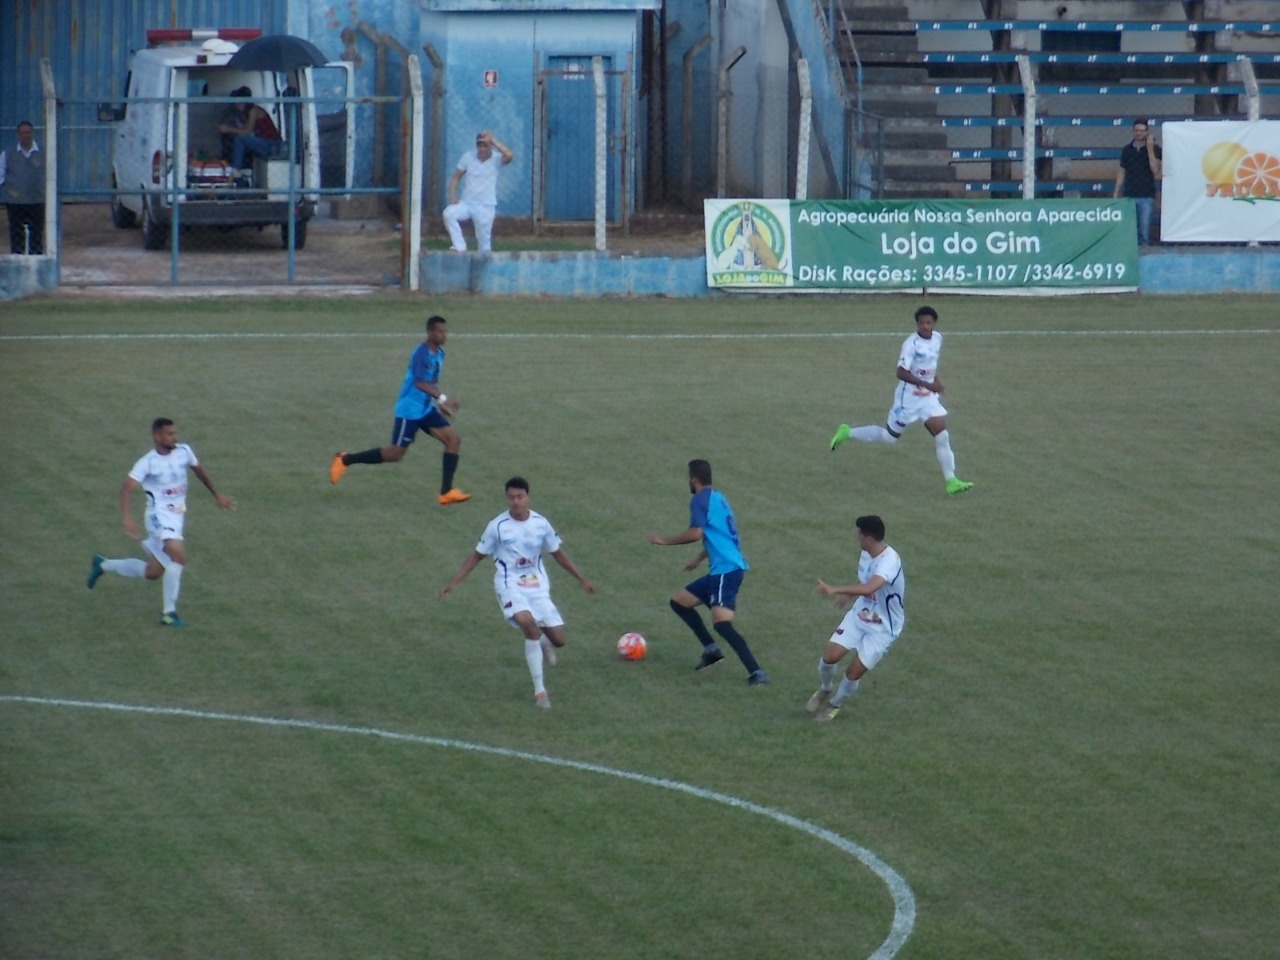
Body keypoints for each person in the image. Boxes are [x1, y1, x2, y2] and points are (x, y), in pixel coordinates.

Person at [439, 476, 596, 708]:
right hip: (509, 584)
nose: (515, 501)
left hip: (537, 586)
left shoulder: (541, 523)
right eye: (511, 497)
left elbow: (558, 553)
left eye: (519, 497)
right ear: (507, 498)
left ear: (528, 497)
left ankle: (545, 642)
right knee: (527, 622)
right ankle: (540, 691)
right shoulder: (498, 527)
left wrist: (581, 579)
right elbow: (476, 556)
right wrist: (453, 583)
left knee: (559, 640)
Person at [86, 418, 236, 627]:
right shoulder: (147, 462)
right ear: (157, 436)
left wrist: (216, 494)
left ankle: (103, 565)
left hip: (177, 516)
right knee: (179, 556)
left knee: (153, 572)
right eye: (169, 434)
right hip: (158, 516)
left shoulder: (184, 451)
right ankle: (169, 614)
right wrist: (127, 517)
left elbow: (199, 470)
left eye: (175, 433)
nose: (174, 437)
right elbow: (126, 489)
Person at [830, 305, 975, 496]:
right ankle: (848, 432)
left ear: (934, 324)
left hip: (928, 399)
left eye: (928, 323)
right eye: (921, 323)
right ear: (917, 324)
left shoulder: (938, 338)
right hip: (907, 400)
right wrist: (928, 384)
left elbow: (930, 365)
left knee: (942, 435)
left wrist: (936, 382)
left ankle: (951, 481)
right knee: (890, 437)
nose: (925, 326)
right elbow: (901, 372)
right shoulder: (911, 344)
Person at [648, 459, 770, 685]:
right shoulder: (718, 498)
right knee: (679, 602)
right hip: (723, 569)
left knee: (722, 624)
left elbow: (695, 533)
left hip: (727, 571)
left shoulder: (698, 500)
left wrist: (663, 541)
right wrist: (698, 559)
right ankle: (711, 649)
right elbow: (718, 535)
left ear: (694, 479)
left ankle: (757, 672)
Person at [329, 314, 470, 505]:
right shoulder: (421, 354)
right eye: (440, 331)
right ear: (430, 332)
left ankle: (446, 492)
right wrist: (444, 398)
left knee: (453, 440)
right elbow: (420, 382)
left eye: (446, 331)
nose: (444, 335)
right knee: (394, 454)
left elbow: (431, 382)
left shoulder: (440, 354)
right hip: (409, 411)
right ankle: (345, 459)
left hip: (425, 409)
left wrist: (439, 404)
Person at [806, 515, 905, 723]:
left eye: (859, 534)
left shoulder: (890, 561)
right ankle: (825, 689)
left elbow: (871, 587)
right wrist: (849, 595)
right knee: (830, 656)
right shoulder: (866, 554)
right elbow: (864, 583)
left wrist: (834, 589)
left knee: (853, 672)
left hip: (884, 628)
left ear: (868, 537)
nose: (857, 538)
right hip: (861, 615)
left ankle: (835, 705)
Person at [443, 130, 514, 253]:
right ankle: (460, 247)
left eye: (485, 145)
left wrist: (494, 141)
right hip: (467, 203)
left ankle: (484, 267)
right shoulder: (468, 157)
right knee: (449, 214)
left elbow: (509, 155)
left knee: (484, 244)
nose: (481, 149)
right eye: (479, 145)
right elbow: (456, 177)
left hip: (485, 206)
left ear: (490, 145)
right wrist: (452, 195)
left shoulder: (496, 159)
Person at [1114, 118, 1162, 247]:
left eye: (1142, 131)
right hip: (1129, 194)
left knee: (1143, 233)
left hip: (1146, 195)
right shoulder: (1127, 149)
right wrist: (1116, 192)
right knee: (1128, 231)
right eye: (1137, 130)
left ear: (1147, 132)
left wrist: (1150, 149)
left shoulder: (1155, 149)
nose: (1139, 133)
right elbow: (1122, 171)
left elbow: (1155, 170)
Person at [0, 121, 45, 254]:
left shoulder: (44, 152)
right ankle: (17, 257)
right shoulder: (8, 153)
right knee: (16, 231)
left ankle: (36, 259)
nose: (25, 135)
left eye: (28, 132)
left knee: (37, 231)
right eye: (22, 133)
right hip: (15, 201)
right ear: (18, 135)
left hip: (37, 199)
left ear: (33, 133)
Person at [217, 87, 281, 176]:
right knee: (236, 141)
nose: (237, 105)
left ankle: (236, 169)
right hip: (263, 142)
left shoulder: (253, 110)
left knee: (240, 139)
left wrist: (228, 129)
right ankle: (244, 169)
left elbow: (246, 131)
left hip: (272, 145)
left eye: (239, 102)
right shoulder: (245, 113)